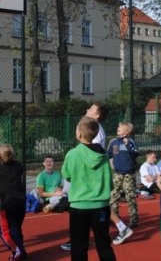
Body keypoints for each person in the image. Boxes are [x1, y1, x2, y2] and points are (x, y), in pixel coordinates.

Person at [61, 102, 132, 250]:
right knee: (94, 207)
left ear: (97, 115)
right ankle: (120, 227)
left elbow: (91, 155)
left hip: (88, 177)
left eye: (91, 108)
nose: (87, 109)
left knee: (88, 207)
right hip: (89, 177)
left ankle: (119, 228)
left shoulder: (95, 132)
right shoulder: (93, 128)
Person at [61, 116, 116, 261]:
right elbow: (109, 182)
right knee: (104, 244)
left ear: (79, 134)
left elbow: (66, 175)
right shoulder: (103, 155)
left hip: (79, 206)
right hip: (101, 206)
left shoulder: (73, 154)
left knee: (79, 245)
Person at [107, 122, 139, 228]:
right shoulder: (114, 142)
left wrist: (128, 145)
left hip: (129, 173)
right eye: (118, 127)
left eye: (121, 128)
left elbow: (135, 153)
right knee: (114, 195)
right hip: (117, 173)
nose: (118, 128)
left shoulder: (130, 142)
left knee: (130, 196)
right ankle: (114, 217)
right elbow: (110, 154)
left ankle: (133, 219)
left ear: (127, 131)